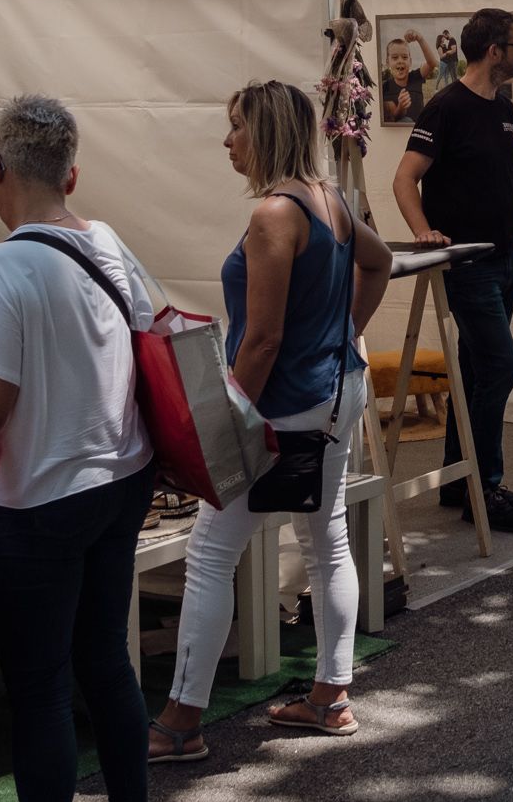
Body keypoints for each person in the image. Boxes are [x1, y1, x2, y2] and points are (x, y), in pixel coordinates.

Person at [0, 96, 157, 802]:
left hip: (43, 496)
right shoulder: (109, 241)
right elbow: (146, 342)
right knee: (106, 659)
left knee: (42, 682)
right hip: (120, 476)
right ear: (70, 176)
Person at [150, 82, 394, 760]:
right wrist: (345, 333)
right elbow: (379, 263)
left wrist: (225, 421)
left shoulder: (274, 215)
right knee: (329, 539)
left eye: (235, 128)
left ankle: (180, 722)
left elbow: (260, 339)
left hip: (284, 404)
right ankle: (331, 696)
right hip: (337, 391)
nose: (227, 141)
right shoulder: (330, 200)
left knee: (209, 552)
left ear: (264, 131)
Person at [393, 8, 513, 534]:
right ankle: (485, 486)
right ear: (494, 51)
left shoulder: (502, 108)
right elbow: (405, 178)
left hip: (504, 256)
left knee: (475, 369)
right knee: (499, 365)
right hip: (467, 262)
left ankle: (460, 477)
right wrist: (424, 230)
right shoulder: (444, 108)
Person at [380, 31, 437, 124]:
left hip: (419, 129)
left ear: (410, 62)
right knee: (406, 120)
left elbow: (432, 63)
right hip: (400, 133)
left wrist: (420, 39)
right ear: (387, 62)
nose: (400, 61)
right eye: (395, 57)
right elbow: (393, 117)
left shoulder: (416, 77)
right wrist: (401, 107)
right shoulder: (385, 87)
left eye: (404, 57)